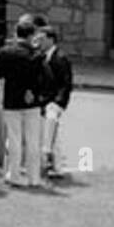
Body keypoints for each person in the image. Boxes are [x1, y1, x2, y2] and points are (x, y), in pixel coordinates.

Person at [0, 19, 48, 188]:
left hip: (11, 99)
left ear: (16, 33)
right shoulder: (37, 55)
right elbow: (45, 78)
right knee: (33, 140)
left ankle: (14, 175)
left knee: (14, 139)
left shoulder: (5, 52)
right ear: (32, 35)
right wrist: (34, 91)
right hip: (32, 100)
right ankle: (34, 177)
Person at [39, 27, 73, 178]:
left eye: (42, 39)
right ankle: (57, 166)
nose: (40, 42)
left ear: (51, 39)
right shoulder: (42, 56)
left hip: (54, 102)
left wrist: (58, 102)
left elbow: (65, 83)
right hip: (45, 100)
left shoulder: (60, 58)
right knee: (53, 134)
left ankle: (47, 158)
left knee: (49, 130)